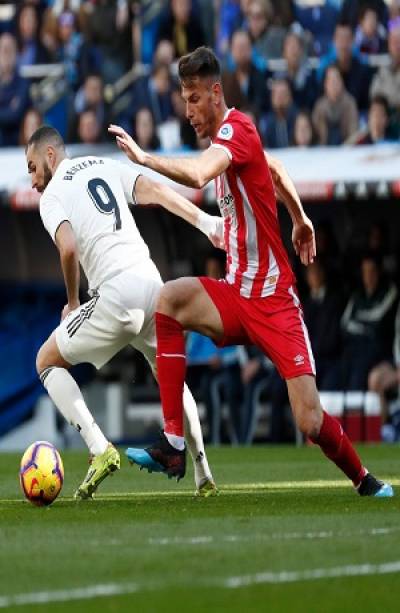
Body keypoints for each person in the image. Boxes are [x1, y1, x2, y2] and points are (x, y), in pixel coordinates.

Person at [109, 46, 393, 497]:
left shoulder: (234, 131)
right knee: (169, 300)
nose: (187, 111)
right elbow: (274, 168)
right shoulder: (236, 138)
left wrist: (145, 160)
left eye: (194, 98)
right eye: (184, 100)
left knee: (309, 420)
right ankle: (173, 443)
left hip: (275, 302)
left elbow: (201, 174)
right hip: (236, 294)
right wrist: (300, 219)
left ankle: (364, 480)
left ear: (216, 92)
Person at [25, 124, 221, 499]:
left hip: (115, 294)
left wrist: (72, 301)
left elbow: (67, 249)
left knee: (45, 362)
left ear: (50, 155)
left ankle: (99, 449)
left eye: (33, 167)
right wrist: (205, 222)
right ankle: (203, 473)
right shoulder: (103, 164)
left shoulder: (52, 197)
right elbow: (158, 191)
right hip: (153, 286)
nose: (33, 180)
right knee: (171, 379)